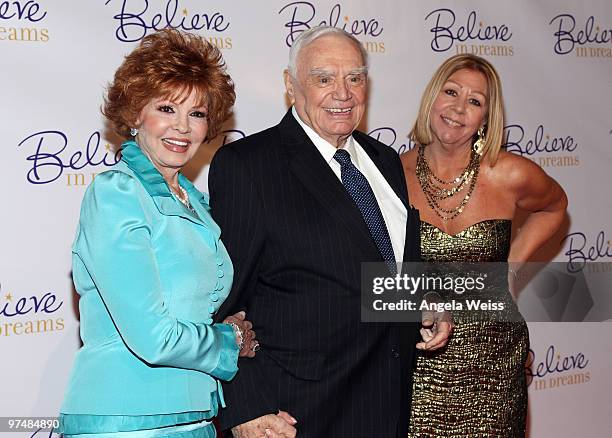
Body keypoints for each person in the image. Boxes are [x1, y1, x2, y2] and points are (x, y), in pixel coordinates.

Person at [208, 26, 451, 438]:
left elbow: (371, 264)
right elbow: (222, 300)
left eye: (354, 78)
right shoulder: (248, 165)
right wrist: (244, 408)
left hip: (385, 405)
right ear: (291, 85)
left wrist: (421, 302)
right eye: (324, 79)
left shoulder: (385, 160)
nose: (343, 93)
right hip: (296, 416)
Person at [58, 29, 257, 437]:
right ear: (134, 115)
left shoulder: (193, 201)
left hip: (195, 418)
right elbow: (152, 337)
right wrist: (227, 341)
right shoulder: (116, 193)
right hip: (127, 421)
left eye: (197, 113)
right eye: (167, 108)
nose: (182, 127)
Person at [400, 54, 568, 437]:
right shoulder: (393, 174)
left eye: (475, 101)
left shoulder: (509, 173)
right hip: (421, 362)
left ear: (487, 119)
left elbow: (555, 206)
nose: (458, 108)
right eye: (451, 92)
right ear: (432, 98)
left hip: (495, 360)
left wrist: (510, 269)